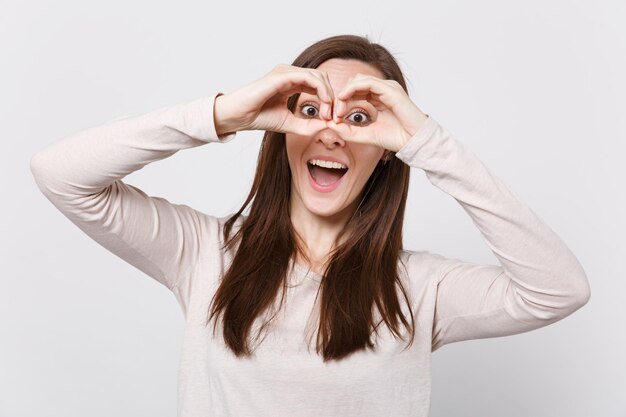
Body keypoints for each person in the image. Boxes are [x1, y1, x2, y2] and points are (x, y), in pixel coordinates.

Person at [30, 34, 591, 417]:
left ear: (387, 151)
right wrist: (227, 113)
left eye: (359, 118)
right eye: (309, 110)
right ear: (280, 128)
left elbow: (559, 290)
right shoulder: (203, 253)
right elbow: (60, 174)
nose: (332, 132)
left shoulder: (421, 290)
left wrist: (429, 143)